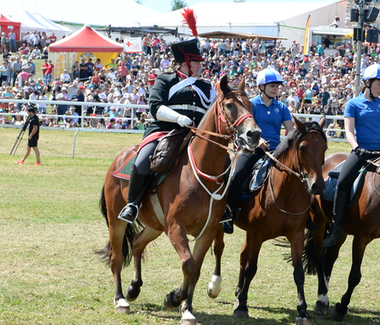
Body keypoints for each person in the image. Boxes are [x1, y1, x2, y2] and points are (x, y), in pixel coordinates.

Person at [118, 31, 214, 223]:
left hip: (197, 134)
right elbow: (155, 107)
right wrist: (179, 118)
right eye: (196, 62)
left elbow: (213, 110)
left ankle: (224, 207)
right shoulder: (165, 80)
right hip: (165, 131)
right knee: (143, 160)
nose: (200, 65)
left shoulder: (205, 86)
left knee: (222, 162)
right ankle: (132, 204)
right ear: (186, 62)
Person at [322, 64, 380, 246]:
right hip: (362, 151)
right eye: (379, 84)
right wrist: (357, 147)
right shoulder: (353, 104)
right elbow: (348, 131)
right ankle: (336, 228)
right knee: (342, 182)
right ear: (367, 83)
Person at [221, 67, 295, 234]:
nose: (276, 89)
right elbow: (245, 128)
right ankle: (228, 213)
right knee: (237, 175)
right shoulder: (251, 104)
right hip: (252, 149)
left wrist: (292, 143)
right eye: (272, 86)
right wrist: (258, 140)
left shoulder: (282, 107)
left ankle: (306, 216)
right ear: (261, 87)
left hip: (276, 151)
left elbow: (290, 132)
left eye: (277, 86)